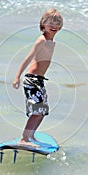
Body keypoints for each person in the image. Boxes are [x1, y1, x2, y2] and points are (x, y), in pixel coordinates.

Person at [12, 8, 63, 147]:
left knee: (42, 111)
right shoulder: (41, 40)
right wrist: (17, 77)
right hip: (32, 79)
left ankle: (31, 136)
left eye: (57, 22)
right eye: (50, 22)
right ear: (43, 24)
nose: (54, 25)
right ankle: (24, 139)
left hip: (39, 80)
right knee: (37, 111)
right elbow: (28, 58)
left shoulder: (52, 42)